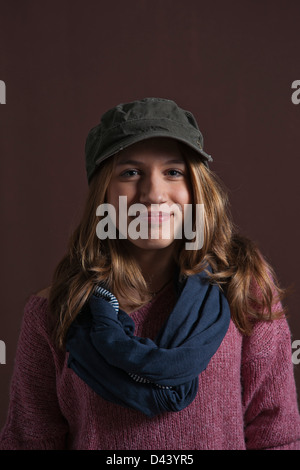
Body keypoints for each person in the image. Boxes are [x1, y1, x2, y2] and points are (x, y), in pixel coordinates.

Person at [0, 97, 299, 450]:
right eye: (130, 173)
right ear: (104, 195)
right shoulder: (55, 310)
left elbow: (277, 435)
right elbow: (29, 441)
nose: (153, 194)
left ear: (195, 189)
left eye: (173, 172)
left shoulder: (242, 286)